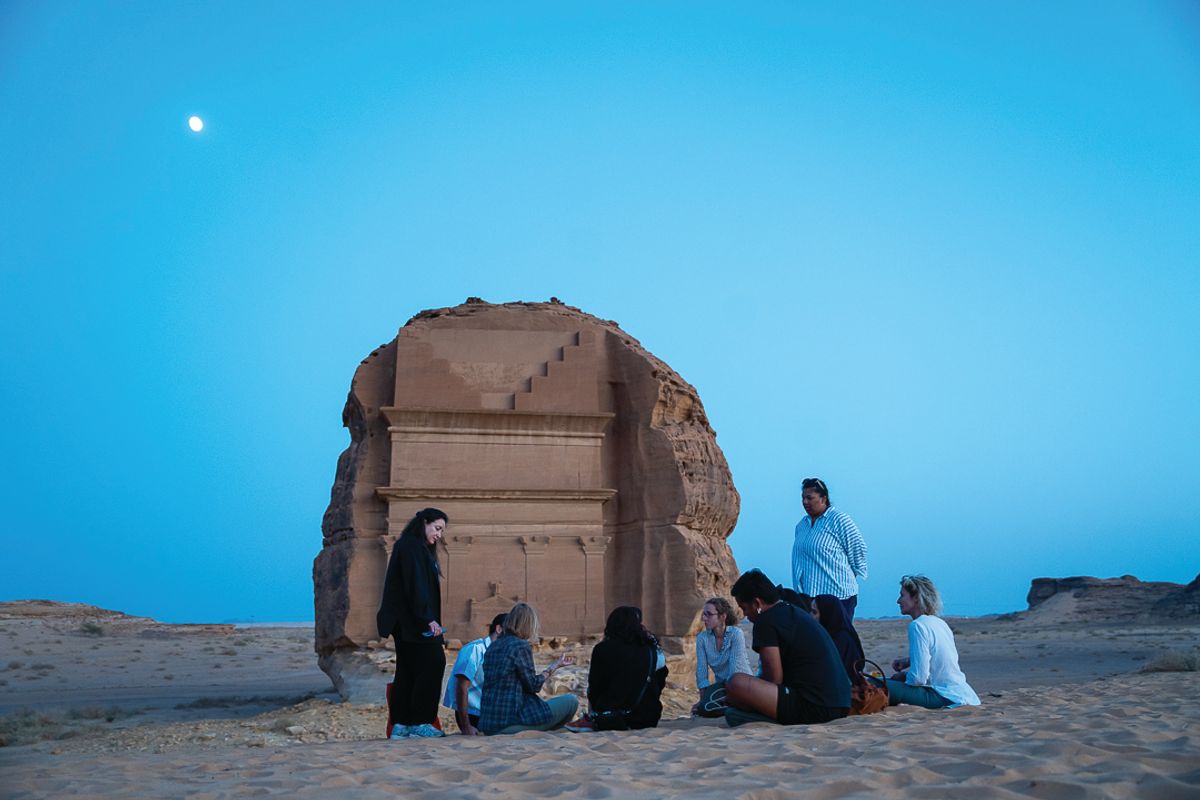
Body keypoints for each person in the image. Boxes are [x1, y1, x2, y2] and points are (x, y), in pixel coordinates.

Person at [724, 569, 851, 727]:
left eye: (745, 608)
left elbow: (774, 679)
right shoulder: (794, 612)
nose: (746, 616)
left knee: (736, 682)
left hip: (816, 706)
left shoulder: (766, 621)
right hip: (841, 703)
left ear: (757, 604)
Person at [376, 507, 449, 739]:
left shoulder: (412, 547)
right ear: (424, 523)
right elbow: (415, 586)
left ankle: (402, 725)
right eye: (437, 528)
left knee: (408, 671)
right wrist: (427, 619)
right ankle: (420, 722)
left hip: (406, 622)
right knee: (433, 664)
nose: (439, 534)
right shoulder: (412, 547)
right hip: (414, 622)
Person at [479, 602, 578, 734]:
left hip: (488, 723)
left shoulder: (493, 646)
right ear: (529, 625)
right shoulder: (520, 646)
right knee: (571, 702)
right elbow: (533, 685)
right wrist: (551, 669)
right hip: (509, 724)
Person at [887, 575, 981, 709]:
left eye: (902, 595)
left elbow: (918, 678)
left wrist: (903, 677)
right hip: (962, 692)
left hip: (941, 695)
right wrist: (909, 661)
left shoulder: (917, 626)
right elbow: (938, 656)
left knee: (875, 685)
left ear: (915, 598)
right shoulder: (940, 623)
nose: (898, 601)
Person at [569, 606, 668, 732]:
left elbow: (595, 687)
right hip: (646, 718)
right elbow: (660, 680)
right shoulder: (651, 650)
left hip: (610, 719)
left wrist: (594, 712)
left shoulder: (602, 649)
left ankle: (592, 719)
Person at [791, 477, 868, 621]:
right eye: (803, 498)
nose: (805, 502)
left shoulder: (839, 520)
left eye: (809, 498)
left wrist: (849, 576)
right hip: (808, 597)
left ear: (823, 498)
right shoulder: (802, 525)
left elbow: (859, 548)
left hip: (838, 596)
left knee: (837, 640)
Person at [442, 613, 507, 735]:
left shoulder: (501, 654)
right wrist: (466, 726)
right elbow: (461, 686)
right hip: (473, 716)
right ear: (499, 629)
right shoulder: (475, 649)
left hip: (490, 715)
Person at [691, 597, 751, 717]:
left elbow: (735, 670)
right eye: (704, 614)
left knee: (718, 707)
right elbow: (702, 670)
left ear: (723, 616)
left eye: (709, 614)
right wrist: (703, 699)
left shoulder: (735, 634)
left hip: (740, 685)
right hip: (722, 686)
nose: (704, 618)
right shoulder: (702, 638)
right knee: (703, 708)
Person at [814, 594, 866, 681]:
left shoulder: (839, 640)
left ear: (826, 614)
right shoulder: (834, 636)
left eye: (814, 612)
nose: (810, 615)